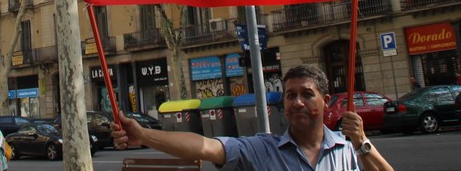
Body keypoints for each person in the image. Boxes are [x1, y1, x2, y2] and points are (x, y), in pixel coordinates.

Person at [112, 64, 393, 171]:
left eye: (307, 94)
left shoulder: (345, 151)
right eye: (290, 95)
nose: (297, 102)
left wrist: (363, 143)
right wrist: (144, 135)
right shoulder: (261, 150)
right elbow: (205, 146)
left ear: (326, 101)